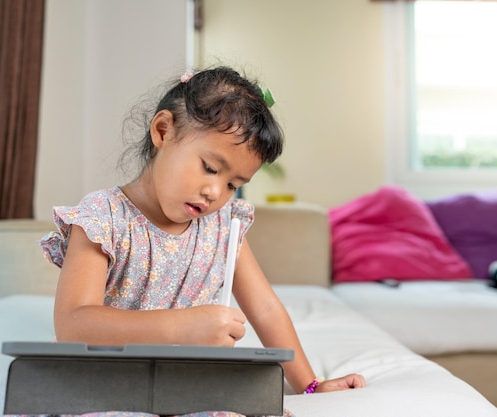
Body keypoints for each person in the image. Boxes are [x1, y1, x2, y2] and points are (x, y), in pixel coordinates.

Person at [40, 66, 366, 417]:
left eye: (232, 184)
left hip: (188, 384)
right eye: (210, 168)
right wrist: (184, 325)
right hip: (105, 382)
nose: (214, 192)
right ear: (163, 131)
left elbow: (266, 308)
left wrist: (310, 385)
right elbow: (73, 323)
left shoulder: (223, 226)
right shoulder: (103, 217)